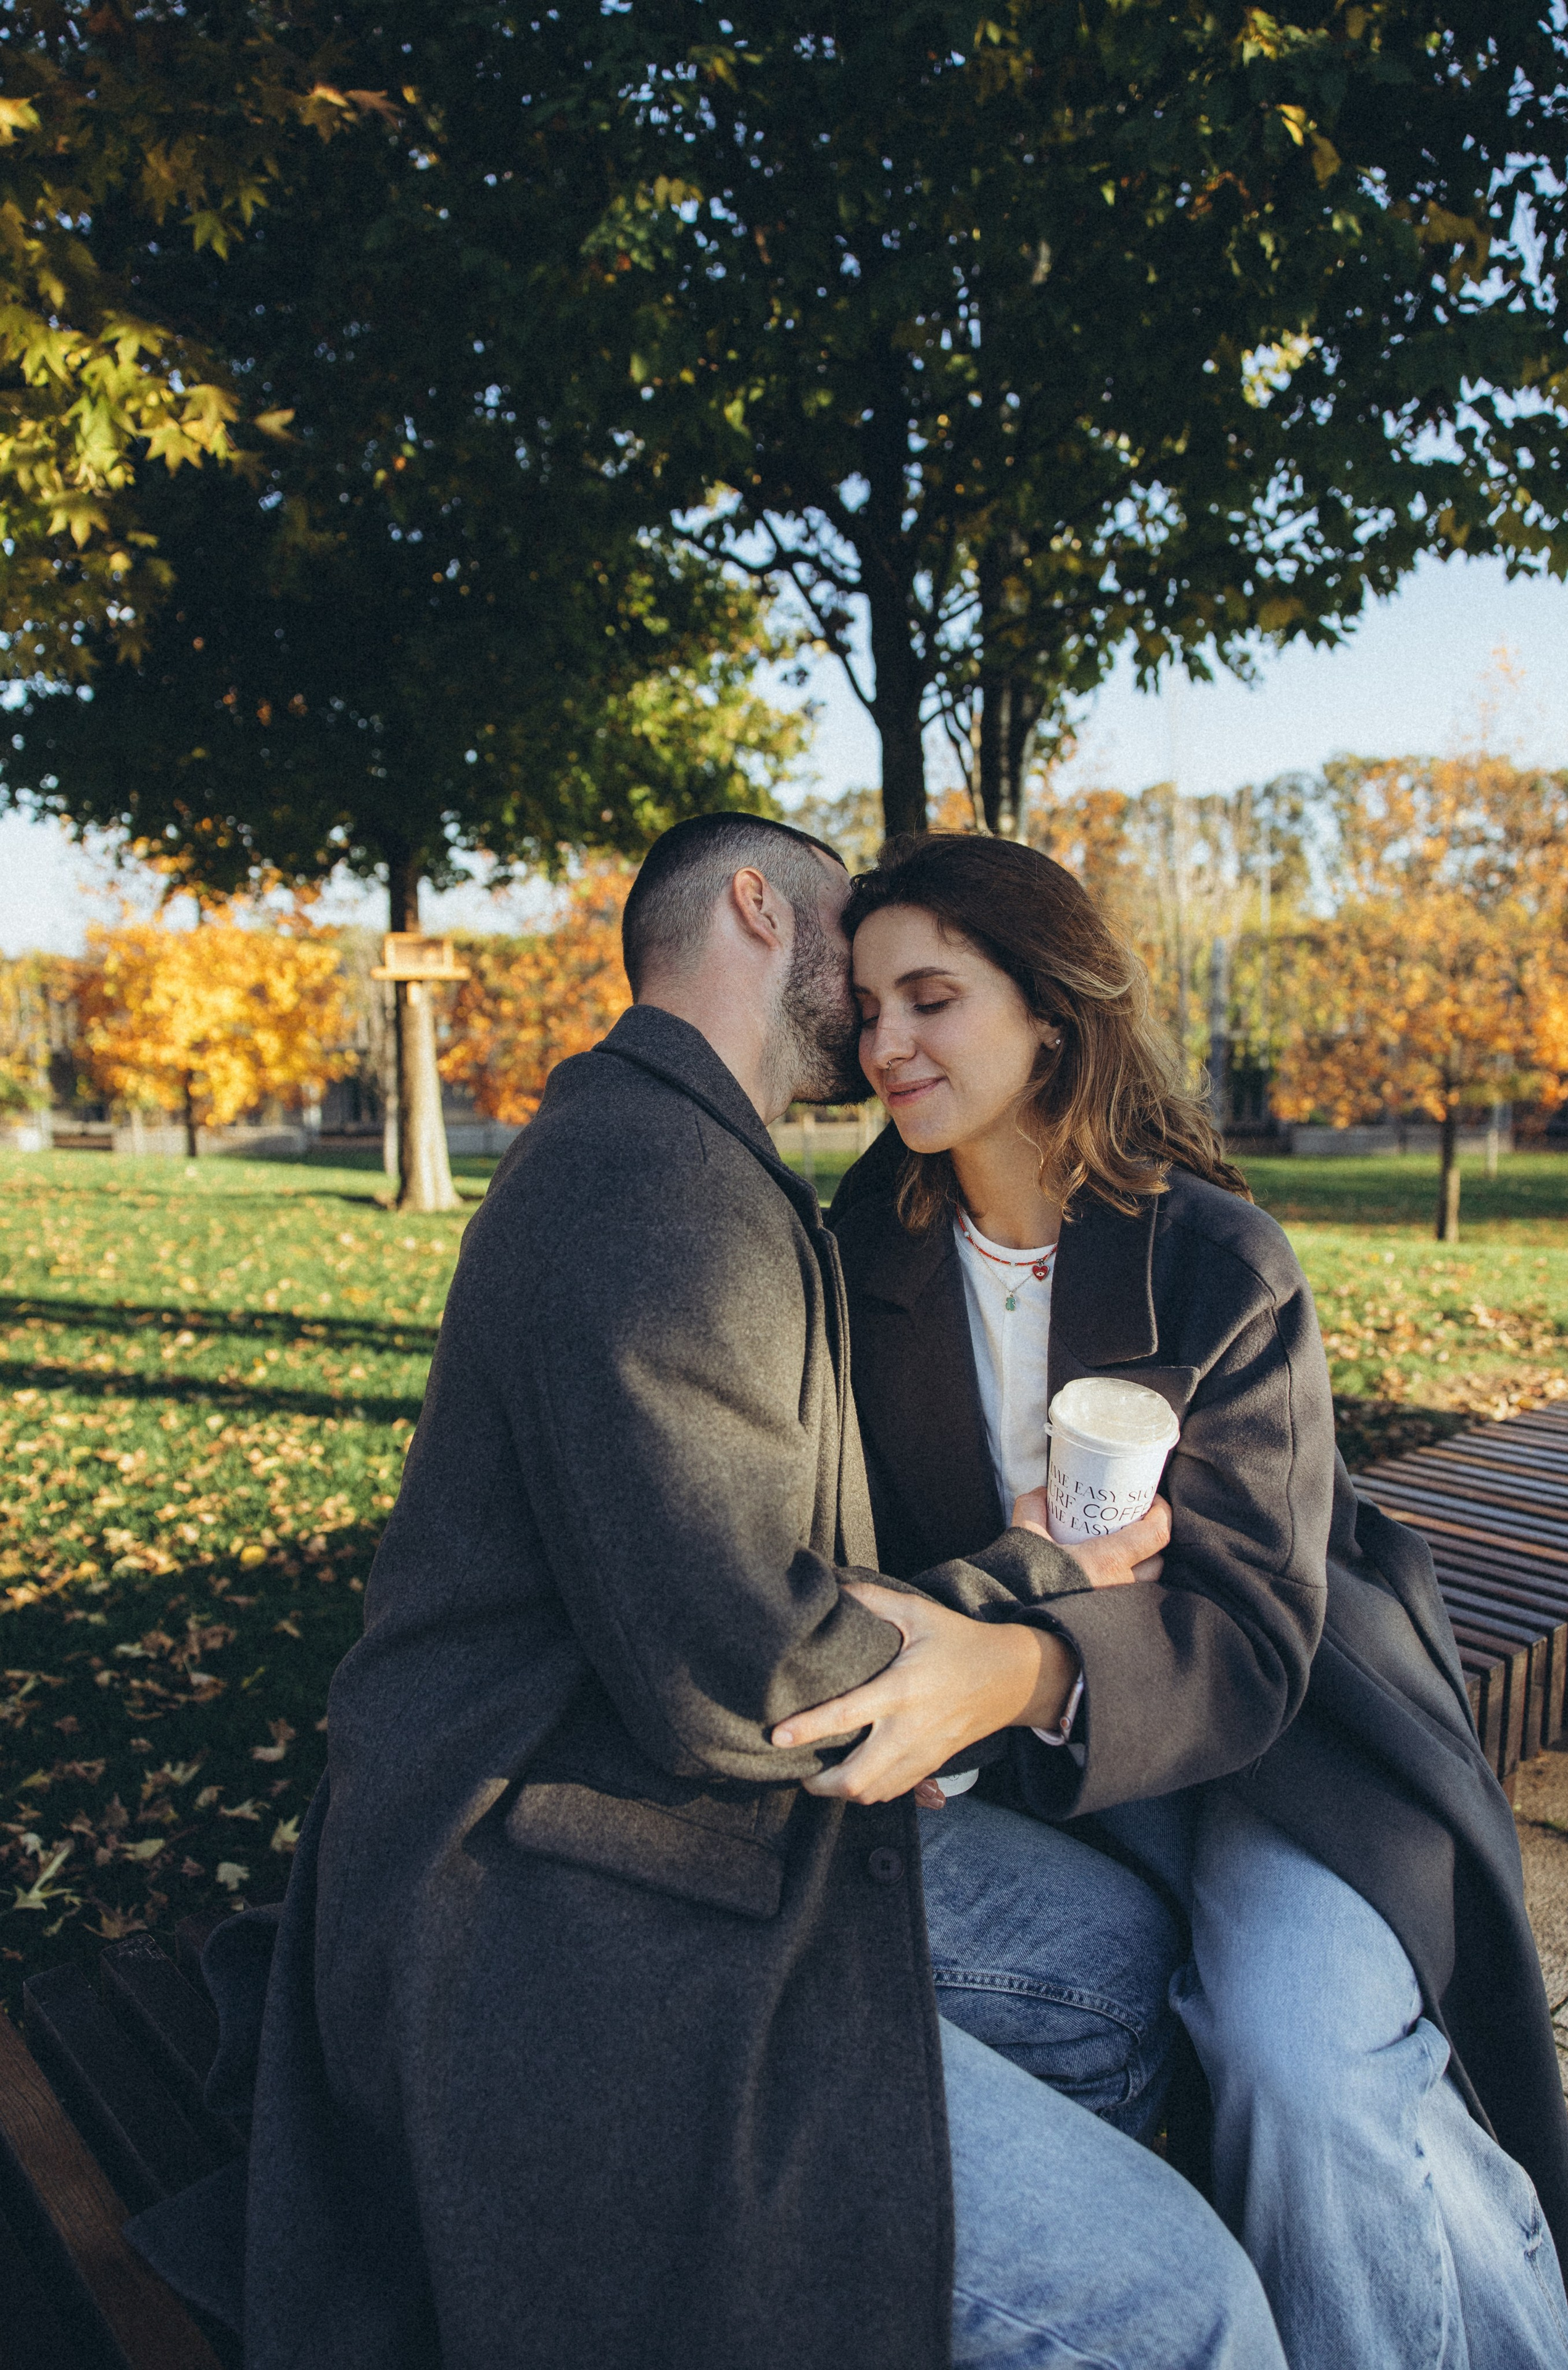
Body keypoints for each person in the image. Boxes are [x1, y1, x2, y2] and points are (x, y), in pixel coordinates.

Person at [180, 813, 1285, 2370]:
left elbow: (745, 1578)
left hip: (666, 1803)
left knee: (1120, 1960)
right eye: (862, 956)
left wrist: (974, 1629)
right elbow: (748, 1678)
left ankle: (891, 2274)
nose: (881, 1010)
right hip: (551, 1887)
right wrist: (1035, 1574)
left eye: (932, 994)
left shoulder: (690, 1162)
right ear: (764, 911)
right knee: (1180, 2307)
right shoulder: (648, 1192)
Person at [806, 831, 1568, 2370]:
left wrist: (1015, 1668)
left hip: (1283, 1745)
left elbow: (1244, 1633)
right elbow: (863, 1552)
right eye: (867, 1007)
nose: (884, 1044)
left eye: (931, 998)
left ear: (1048, 1015)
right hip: (1040, 1789)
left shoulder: (1217, 1254)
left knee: (1303, 2064)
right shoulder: (856, 1248)